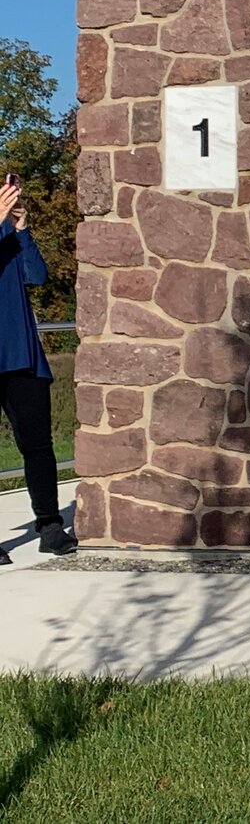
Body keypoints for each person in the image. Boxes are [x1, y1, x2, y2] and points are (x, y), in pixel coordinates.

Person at [0, 179, 76, 559]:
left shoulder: (8, 233)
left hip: (22, 355)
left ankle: (50, 525)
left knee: (38, 446)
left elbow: (38, 276)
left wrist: (20, 229)